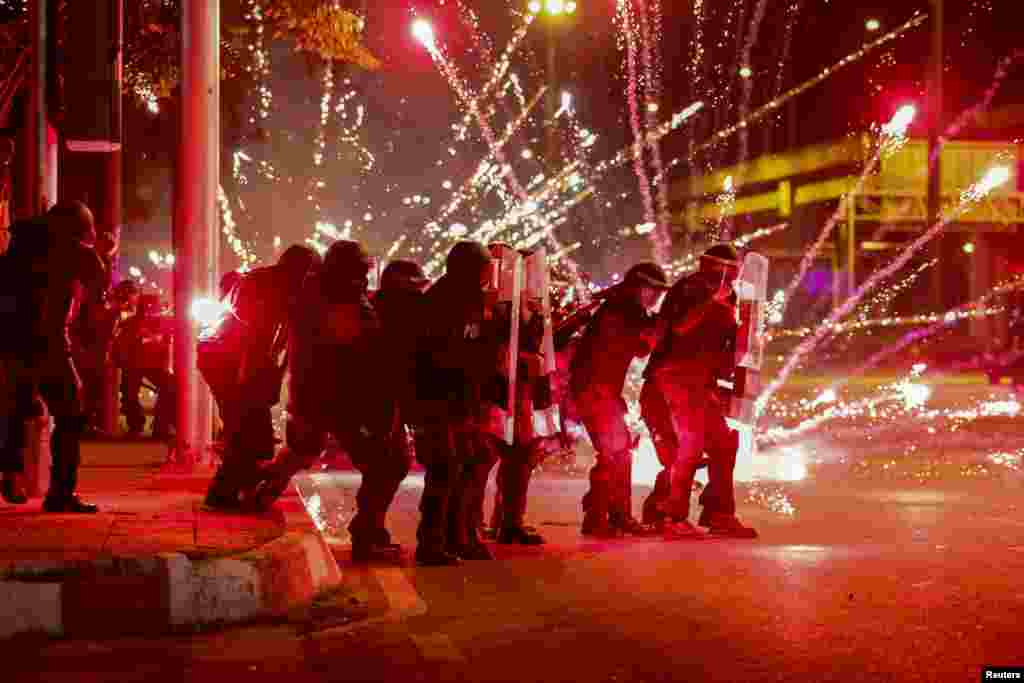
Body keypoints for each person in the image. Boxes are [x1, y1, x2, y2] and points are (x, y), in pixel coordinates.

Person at [247, 242, 407, 562]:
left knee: (302, 450)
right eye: (360, 270)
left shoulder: (317, 294)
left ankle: (258, 493)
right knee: (388, 464)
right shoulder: (334, 301)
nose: (364, 277)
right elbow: (356, 353)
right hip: (339, 400)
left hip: (317, 399)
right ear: (345, 271)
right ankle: (367, 536)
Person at [641, 244, 757, 538]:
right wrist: (710, 303)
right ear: (709, 265)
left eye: (734, 269)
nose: (732, 274)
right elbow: (679, 328)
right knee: (690, 444)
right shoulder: (690, 287)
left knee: (722, 444)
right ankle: (672, 516)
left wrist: (746, 337)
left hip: (702, 379)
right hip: (677, 374)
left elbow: (727, 342)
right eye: (726, 267)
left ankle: (720, 513)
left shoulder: (729, 295)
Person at [0, 201, 107, 511]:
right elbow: (97, 280)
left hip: (11, 341)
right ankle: (61, 493)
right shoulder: (70, 248)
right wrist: (103, 252)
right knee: (71, 412)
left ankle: (11, 471)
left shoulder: (20, 245)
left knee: (16, 408)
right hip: (48, 343)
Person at [200, 246, 320, 510]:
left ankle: (235, 490)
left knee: (252, 431)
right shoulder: (267, 288)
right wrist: (251, 384)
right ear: (301, 271)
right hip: (227, 363)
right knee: (249, 431)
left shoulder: (277, 285)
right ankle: (224, 494)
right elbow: (254, 340)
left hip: (228, 361)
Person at [413, 241, 506, 565]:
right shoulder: (441, 301)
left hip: (463, 398)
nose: (487, 275)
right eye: (483, 268)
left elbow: (480, 346)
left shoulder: (470, 300)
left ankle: (459, 535)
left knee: (469, 463)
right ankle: (432, 542)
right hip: (439, 398)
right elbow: (443, 354)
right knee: (445, 467)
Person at [570, 263, 669, 538]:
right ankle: (599, 516)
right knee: (614, 453)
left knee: (620, 452)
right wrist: (663, 324)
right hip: (595, 388)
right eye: (656, 290)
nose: (658, 297)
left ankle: (616, 515)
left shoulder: (621, 306)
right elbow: (643, 346)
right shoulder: (623, 309)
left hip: (601, 388)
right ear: (640, 286)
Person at [114, 293, 175, 439]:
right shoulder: (131, 324)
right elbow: (122, 346)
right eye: (146, 308)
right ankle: (139, 424)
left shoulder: (163, 322)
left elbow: (167, 345)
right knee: (129, 390)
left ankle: (159, 425)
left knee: (170, 386)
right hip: (134, 364)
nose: (149, 312)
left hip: (151, 364)